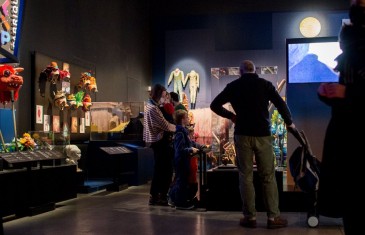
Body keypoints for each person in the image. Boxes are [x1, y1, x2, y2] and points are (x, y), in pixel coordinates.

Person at [210, 60, 295, 229]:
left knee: (245, 177)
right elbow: (281, 104)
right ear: (254, 71)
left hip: (242, 135)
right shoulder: (265, 84)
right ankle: (273, 218)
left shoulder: (233, 86)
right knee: (268, 176)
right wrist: (289, 122)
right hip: (263, 135)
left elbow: (214, 105)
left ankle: (250, 217)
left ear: (240, 72)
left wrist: (231, 116)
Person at [317, 1, 365, 234]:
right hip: (348, 140)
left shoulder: (356, 54)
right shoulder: (352, 56)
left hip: (353, 142)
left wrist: (347, 92)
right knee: (351, 205)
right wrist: (331, 95)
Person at [143, 84, 176, 206]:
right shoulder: (153, 108)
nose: (164, 98)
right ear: (158, 94)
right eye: (163, 95)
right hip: (160, 142)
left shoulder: (150, 106)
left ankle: (157, 196)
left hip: (156, 142)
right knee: (165, 170)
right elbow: (165, 125)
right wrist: (178, 128)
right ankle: (160, 196)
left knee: (160, 169)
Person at [168, 109, 204, 210]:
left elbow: (190, 143)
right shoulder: (180, 133)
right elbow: (180, 149)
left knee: (181, 180)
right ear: (183, 119)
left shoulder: (183, 132)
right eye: (187, 117)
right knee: (181, 181)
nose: (188, 119)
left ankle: (173, 198)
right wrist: (190, 150)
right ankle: (180, 203)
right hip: (181, 161)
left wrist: (201, 146)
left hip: (183, 161)